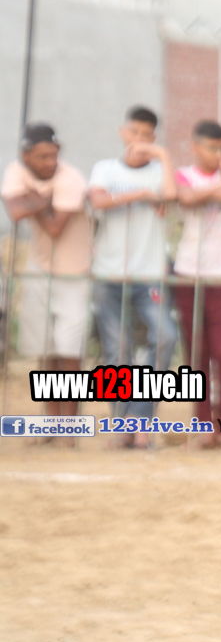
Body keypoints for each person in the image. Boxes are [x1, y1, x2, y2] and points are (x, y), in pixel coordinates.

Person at [88, 105, 179, 450]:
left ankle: (140, 420)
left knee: (165, 338)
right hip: (108, 273)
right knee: (117, 350)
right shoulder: (105, 168)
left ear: (153, 138)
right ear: (123, 133)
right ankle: (122, 425)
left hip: (149, 273)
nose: (139, 141)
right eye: (134, 133)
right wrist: (139, 195)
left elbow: (171, 196)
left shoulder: (159, 172)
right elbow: (98, 200)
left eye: (147, 136)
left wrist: (163, 156)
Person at [1, 124, 92, 435]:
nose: (50, 162)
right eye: (42, 157)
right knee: (45, 350)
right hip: (39, 270)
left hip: (75, 273)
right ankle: (51, 423)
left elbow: (54, 228)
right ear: (26, 155)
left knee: (70, 351)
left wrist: (32, 201)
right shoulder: (15, 171)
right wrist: (45, 200)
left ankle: (70, 425)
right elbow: (15, 213)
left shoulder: (71, 178)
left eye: (54, 155)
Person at [173, 121, 221, 449]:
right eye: (211, 147)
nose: (218, 154)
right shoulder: (183, 174)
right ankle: (202, 426)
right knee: (196, 354)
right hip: (189, 272)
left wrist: (220, 186)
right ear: (195, 146)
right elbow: (187, 198)